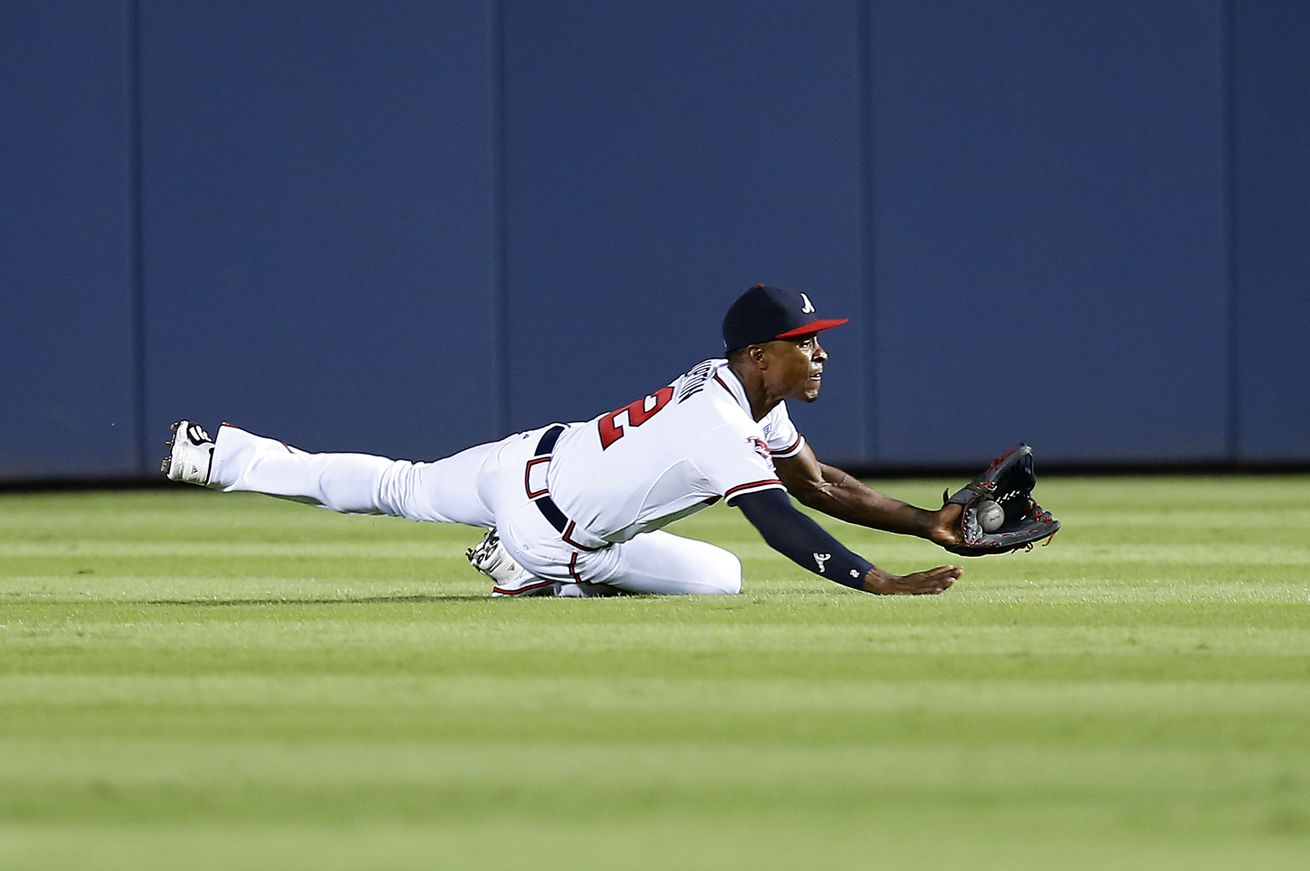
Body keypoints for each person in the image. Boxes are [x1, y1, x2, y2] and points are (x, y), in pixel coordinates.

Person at [162, 285, 964, 597]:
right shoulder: (721, 425)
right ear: (760, 355)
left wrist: (927, 520)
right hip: (559, 534)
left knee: (393, 484)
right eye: (805, 340)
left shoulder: (738, 393)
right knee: (722, 577)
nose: (820, 351)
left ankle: (218, 452)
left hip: (519, 460)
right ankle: (531, 572)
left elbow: (820, 485)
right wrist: (879, 582)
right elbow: (788, 522)